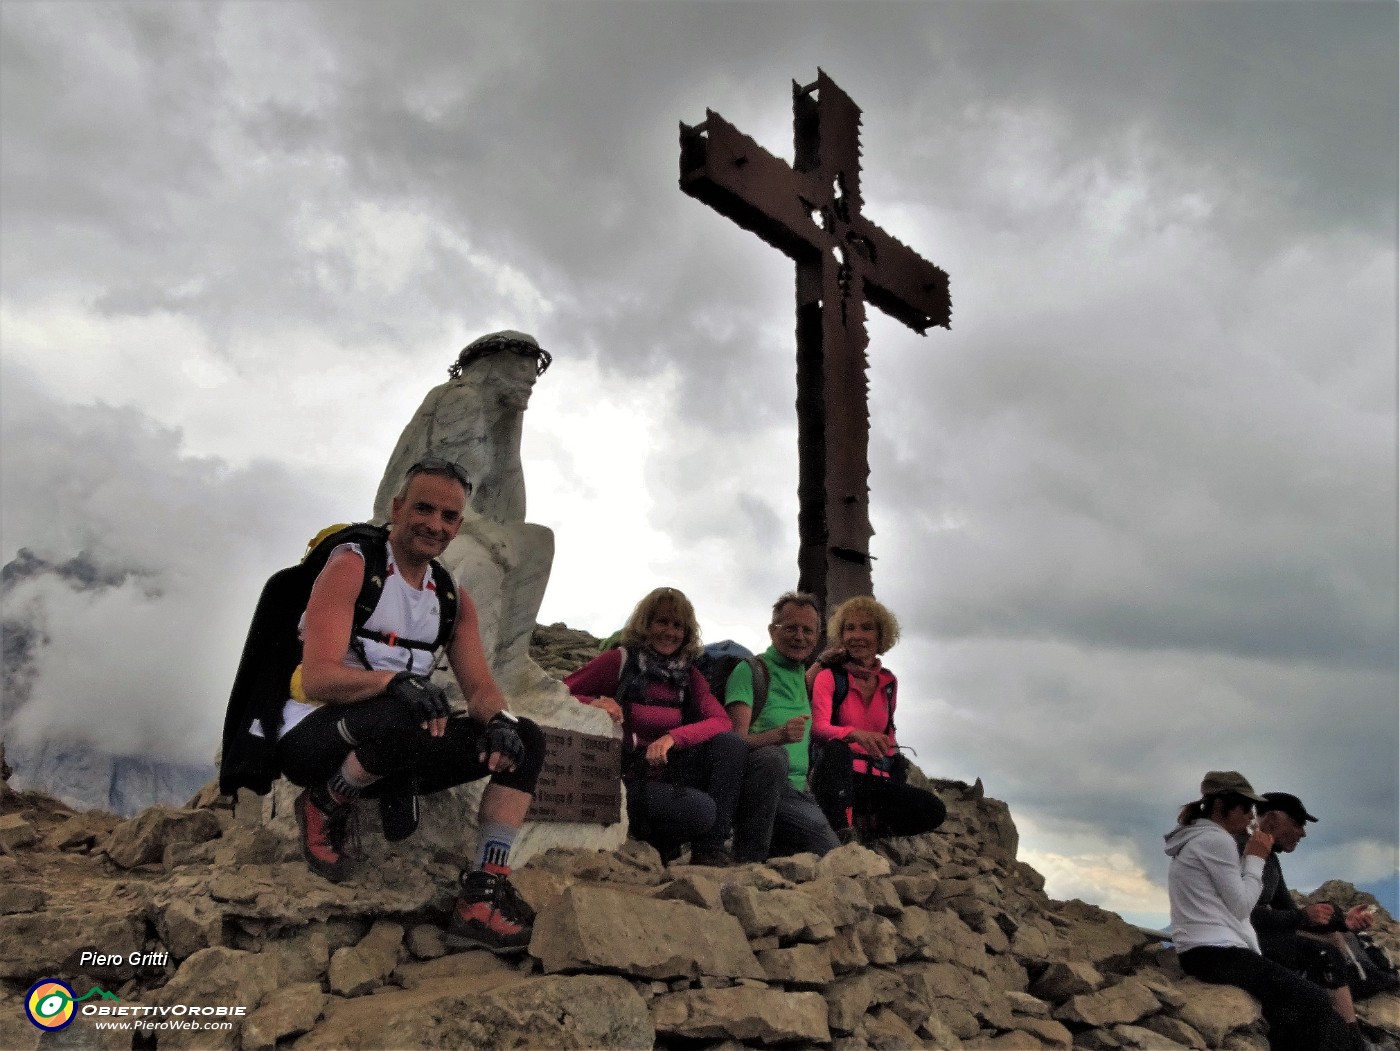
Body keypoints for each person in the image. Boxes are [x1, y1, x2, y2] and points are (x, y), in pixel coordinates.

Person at [275, 458, 546, 954]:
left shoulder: (450, 597)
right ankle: (324, 802)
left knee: (525, 738)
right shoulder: (353, 566)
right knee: (406, 708)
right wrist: (392, 682)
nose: (434, 525)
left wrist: (500, 722)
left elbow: (482, 689)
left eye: (448, 516)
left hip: (397, 743)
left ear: (457, 526)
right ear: (397, 508)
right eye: (422, 509)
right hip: (315, 739)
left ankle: (482, 895)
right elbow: (317, 677)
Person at [1165, 772, 1366, 1051]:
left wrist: (1342, 922)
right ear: (1222, 806)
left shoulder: (1199, 838)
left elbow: (1282, 909)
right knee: (1314, 1001)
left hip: (1207, 949)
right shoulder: (1217, 841)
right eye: (1246, 808)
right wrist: (1255, 859)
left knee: (1287, 1011)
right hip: (1215, 951)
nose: (1251, 816)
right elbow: (1242, 906)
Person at [565, 587, 746, 865]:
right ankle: (655, 841)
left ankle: (709, 852)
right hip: (623, 780)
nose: (670, 632)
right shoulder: (620, 661)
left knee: (730, 746)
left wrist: (673, 737)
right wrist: (594, 703)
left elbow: (722, 722)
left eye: (678, 626)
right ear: (646, 625)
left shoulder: (689, 675)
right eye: (662, 622)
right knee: (701, 811)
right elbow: (558, 693)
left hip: (669, 774)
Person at [807, 596, 945, 841]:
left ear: (881, 637)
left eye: (866, 628)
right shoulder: (829, 677)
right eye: (849, 628)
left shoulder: (889, 682)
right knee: (837, 750)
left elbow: (887, 733)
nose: (856, 635)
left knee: (934, 809)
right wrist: (854, 734)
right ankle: (843, 835)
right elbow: (818, 729)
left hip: (874, 779)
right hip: (836, 776)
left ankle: (870, 828)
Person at [723, 592, 841, 861]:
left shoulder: (801, 672)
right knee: (774, 757)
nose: (800, 637)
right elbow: (734, 742)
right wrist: (780, 735)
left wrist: (825, 660)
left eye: (808, 630)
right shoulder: (750, 671)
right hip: (759, 785)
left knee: (833, 856)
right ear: (772, 631)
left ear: (817, 637)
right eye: (790, 628)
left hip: (798, 790)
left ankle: (775, 845)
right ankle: (748, 859)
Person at [1247, 792, 1382, 1020]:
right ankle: (1350, 1032)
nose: (1303, 832)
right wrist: (1302, 917)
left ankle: (1352, 1002)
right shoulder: (1245, 850)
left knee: (1334, 935)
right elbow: (1244, 912)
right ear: (1271, 819)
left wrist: (1343, 922)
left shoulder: (1271, 860)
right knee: (1324, 953)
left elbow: (1288, 911)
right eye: (1298, 823)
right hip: (1242, 941)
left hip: (1260, 935)